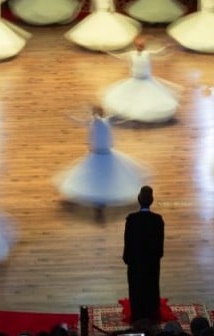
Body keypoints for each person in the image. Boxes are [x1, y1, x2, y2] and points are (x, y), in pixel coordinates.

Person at [56, 106, 150, 208]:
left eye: (96, 113)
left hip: (102, 154)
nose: (94, 115)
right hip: (100, 154)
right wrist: (69, 117)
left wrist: (129, 120)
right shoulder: (94, 122)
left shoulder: (103, 120)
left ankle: (99, 201)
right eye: (94, 113)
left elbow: (117, 120)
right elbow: (80, 121)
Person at [102, 37, 181, 124]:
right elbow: (120, 56)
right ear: (136, 46)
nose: (141, 47)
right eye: (139, 45)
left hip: (147, 81)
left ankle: (145, 113)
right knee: (133, 98)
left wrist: (166, 48)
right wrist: (109, 52)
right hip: (135, 80)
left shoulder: (147, 54)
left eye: (142, 45)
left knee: (147, 98)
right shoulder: (131, 54)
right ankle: (134, 112)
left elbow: (158, 53)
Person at [123, 186, 165, 325]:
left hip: (135, 263)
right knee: (152, 286)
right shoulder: (158, 220)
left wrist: (127, 259)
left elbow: (127, 242)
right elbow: (160, 246)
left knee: (136, 287)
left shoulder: (132, 219)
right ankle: (151, 313)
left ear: (138, 200)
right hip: (152, 263)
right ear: (151, 201)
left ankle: (138, 313)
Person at [65, 0, 142, 51]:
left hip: (108, 13)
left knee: (110, 30)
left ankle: (108, 44)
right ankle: (98, 44)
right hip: (98, 14)